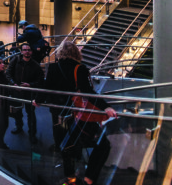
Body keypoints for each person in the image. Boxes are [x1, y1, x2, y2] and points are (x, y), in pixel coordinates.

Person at [33, 41, 118, 185]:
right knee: (102, 144)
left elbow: (46, 88)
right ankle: (89, 177)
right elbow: (88, 92)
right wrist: (105, 107)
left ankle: (70, 177)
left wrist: (38, 100)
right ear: (76, 53)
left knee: (66, 146)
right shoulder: (80, 68)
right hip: (76, 114)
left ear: (60, 52)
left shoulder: (52, 67)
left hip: (57, 114)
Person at [6, 42, 44, 144]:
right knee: (17, 111)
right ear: (21, 51)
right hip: (17, 91)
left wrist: (30, 85)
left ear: (31, 51)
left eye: (28, 50)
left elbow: (40, 81)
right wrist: (13, 84)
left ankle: (32, 134)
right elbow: (8, 73)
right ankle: (19, 126)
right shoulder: (15, 60)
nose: (27, 52)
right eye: (25, 50)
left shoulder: (35, 65)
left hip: (29, 93)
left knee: (31, 113)